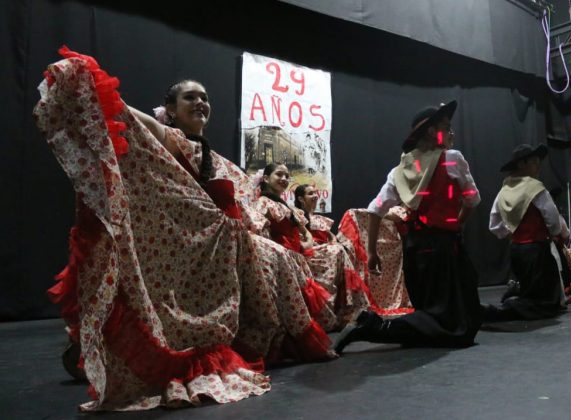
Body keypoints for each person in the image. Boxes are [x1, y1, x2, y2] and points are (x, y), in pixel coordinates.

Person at [37, 48, 333, 411]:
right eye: (190, 97)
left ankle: (270, 340)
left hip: (225, 243)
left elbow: (245, 205)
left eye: (205, 98)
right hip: (189, 243)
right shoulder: (171, 142)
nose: (200, 103)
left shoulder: (215, 158)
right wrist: (103, 94)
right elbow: (139, 123)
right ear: (172, 109)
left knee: (283, 259)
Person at [334, 100, 482, 353]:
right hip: (443, 248)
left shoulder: (399, 171)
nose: (450, 134)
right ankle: (370, 325)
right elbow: (472, 199)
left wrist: (372, 253)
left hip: (414, 248)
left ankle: (381, 326)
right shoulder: (451, 159)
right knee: (455, 327)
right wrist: (458, 224)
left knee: (436, 312)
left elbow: (374, 209)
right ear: (430, 131)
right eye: (446, 128)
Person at [253, 165, 369, 330]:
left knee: (337, 250)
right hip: (283, 254)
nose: (284, 179)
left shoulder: (286, 207)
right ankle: (342, 313)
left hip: (297, 251)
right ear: (265, 179)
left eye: (287, 176)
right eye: (279, 175)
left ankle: (348, 312)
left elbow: (305, 232)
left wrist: (305, 244)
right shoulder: (263, 202)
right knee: (335, 252)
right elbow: (259, 230)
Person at [485, 144, 568, 320]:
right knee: (542, 299)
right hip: (537, 249)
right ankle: (509, 309)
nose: (538, 166)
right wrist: (553, 233)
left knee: (528, 288)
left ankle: (513, 304)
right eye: (535, 162)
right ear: (522, 164)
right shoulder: (535, 188)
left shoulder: (504, 190)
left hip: (516, 250)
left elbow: (494, 223)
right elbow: (552, 218)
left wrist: (511, 234)